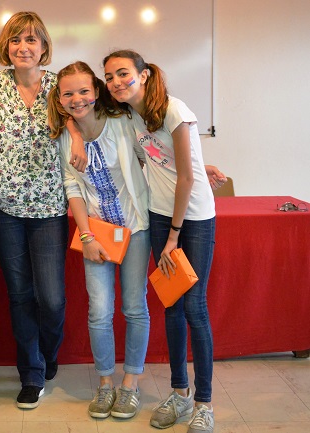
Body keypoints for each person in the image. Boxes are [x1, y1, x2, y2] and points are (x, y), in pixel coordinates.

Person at [104, 49, 217, 433]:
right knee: (171, 304)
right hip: (158, 214)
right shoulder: (131, 115)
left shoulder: (174, 110)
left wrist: (173, 236)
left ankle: (204, 403)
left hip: (193, 219)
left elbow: (186, 178)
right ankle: (180, 393)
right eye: (109, 77)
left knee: (194, 307)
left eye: (123, 73)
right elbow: (160, 160)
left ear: (144, 74)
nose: (116, 82)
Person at [47, 61, 151, 420]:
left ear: (96, 91)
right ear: (60, 99)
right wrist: (86, 235)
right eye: (68, 94)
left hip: (135, 228)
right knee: (100, 311)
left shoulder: (122, 122)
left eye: (84, 91)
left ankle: (130, 384)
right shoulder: (65, 137)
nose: (77, 99)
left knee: (134, 307)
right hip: (97, 236)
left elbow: (152, 156)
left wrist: (197, 166)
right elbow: (72, 187)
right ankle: (106, 383)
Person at [0, 11, 68, 409]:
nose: (23, 47)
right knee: (20, 296)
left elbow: (90, 123)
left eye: (31, 40)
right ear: (6, 46)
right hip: (4, 210)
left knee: (51, 299)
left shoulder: (59, 86)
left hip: (50, 208)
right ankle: (31, 373)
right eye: (16, 39)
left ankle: (49, 352)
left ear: (44, 46)